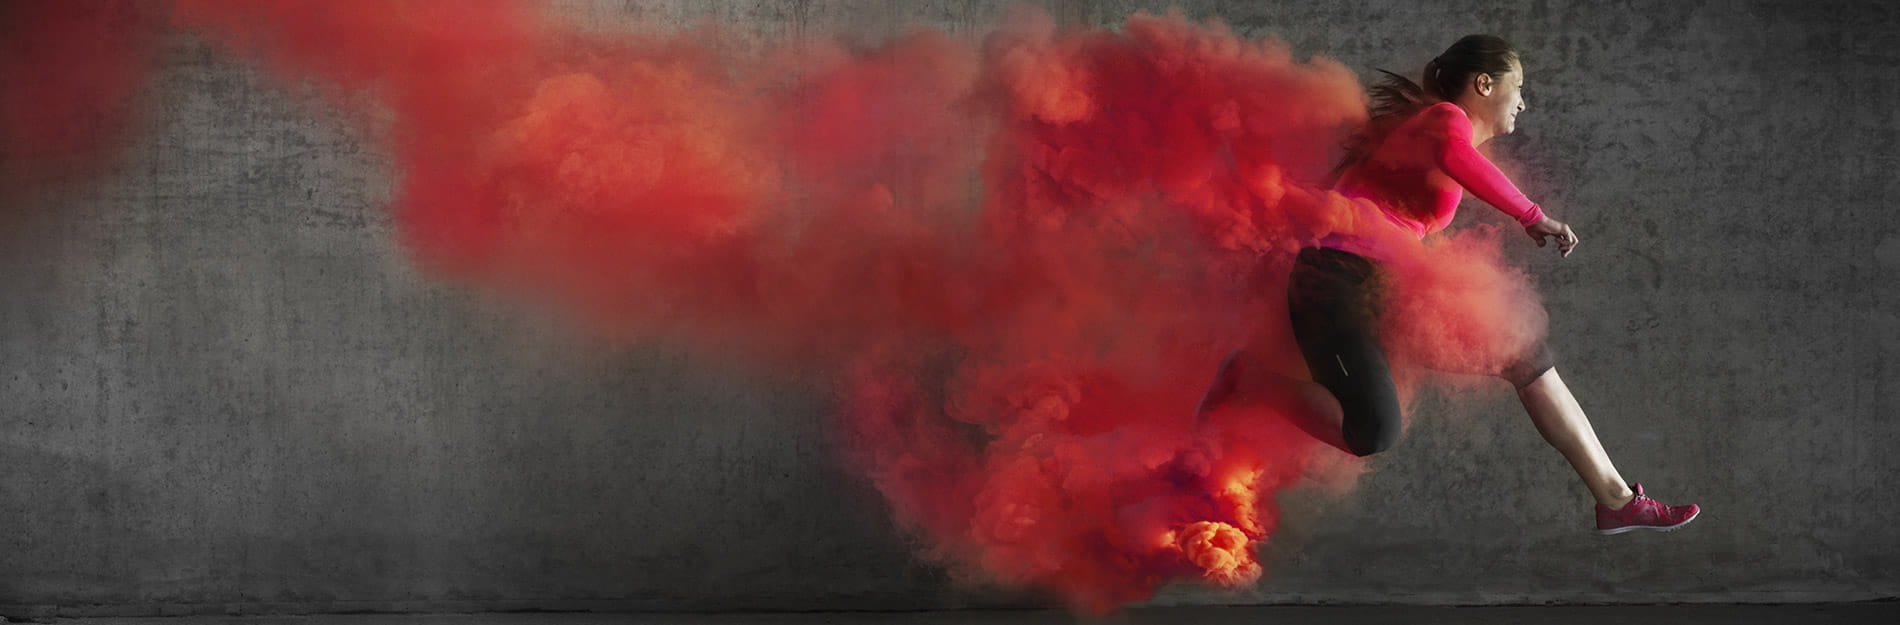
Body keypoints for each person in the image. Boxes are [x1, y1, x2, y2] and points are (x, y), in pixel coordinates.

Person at [1196, 35, 1698, 535]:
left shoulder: (1427, 134)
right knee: (1372, 432)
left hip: (1381, 286)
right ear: (1484, 84)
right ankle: (1246, 381)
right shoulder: (1444, 120)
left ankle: (1616, 500)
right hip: (1336, 283)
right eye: (1517, 86)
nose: (1523, 101)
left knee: (1523, 357)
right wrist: (1531, 215)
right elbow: (1460, 156)